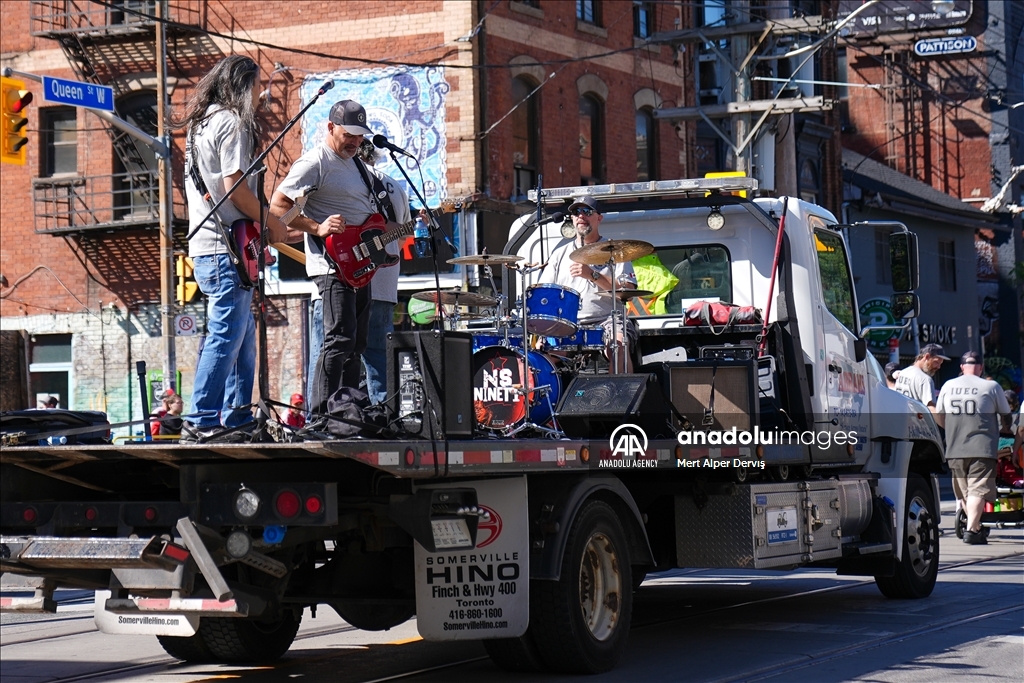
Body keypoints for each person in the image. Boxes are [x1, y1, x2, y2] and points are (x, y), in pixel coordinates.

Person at [177, 55, 342, 443]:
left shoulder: (201, 125)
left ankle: (235, 418)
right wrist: (271, 223)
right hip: (223, 247)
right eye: (254, 88)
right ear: (240, 86)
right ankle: (201, 420)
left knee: (240, 337)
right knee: (225, 334)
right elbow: (234, 186)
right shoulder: (231, 123)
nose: (258, 96)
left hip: (213, 244)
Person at [270, 99, 380, 430]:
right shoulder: (315, 162)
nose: (355, 142)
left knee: (356, 343)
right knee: (338, 340)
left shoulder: (356, 165)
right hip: (333, 267)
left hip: (360, 267)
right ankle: (320, 417)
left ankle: (344, 412)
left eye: (360, 137)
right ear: (331, 128)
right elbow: (280, 208)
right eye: (349, 134)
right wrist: (316, 227)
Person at [539, 196, 637, 372]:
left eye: (587, 211)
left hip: (608, 319)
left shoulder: (614, 250)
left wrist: (592, 274)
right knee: (542, 357)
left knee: (619, 346)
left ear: (599, 217)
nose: (581, 216)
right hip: (568, 322)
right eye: (576, 212)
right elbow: (546, 296)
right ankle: (550, 398)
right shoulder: (559, 255)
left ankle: (624, 395)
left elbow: (627, 291)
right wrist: (544, 330)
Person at [934, 351, 1011, 545]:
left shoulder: (948, 385)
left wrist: (950, 429)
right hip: (982, 446)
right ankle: (971, 530)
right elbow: (1006, 414)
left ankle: (975, 527)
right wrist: (1005, 429)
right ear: (981, 367)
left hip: (954, 447)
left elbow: (939, 414)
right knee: (978, 490)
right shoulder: (991, 386)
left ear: (961, 367)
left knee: (965, 492)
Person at [355, 139, 411, 405]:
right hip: (385, 284)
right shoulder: (397, 187)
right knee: (380, 360)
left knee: (334, 354)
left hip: (351, 278)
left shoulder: (345, 178)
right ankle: (385, 418)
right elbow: (403, 235)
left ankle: (330, 418)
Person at [894, 343, 948, 413]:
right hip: (915, 421)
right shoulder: (925, 379)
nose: (938, 367)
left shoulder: (902, 373)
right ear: (927, 356)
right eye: (936, 362)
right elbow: (930, 408)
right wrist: (945, 423)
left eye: (940, 364)